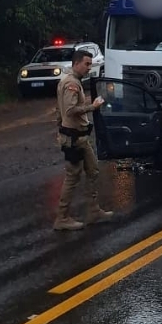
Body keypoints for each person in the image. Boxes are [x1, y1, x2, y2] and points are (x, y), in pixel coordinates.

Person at [53, 50, 115, 231]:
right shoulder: (71, 83)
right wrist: (92, 106)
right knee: (73, 176)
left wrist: (60, 126)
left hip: (79, 136)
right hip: (73, 138)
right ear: (77, 63)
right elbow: (71, 110)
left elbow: (60, 110)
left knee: (93, 170)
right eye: (87, 64)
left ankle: (94, 209)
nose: (89, 68)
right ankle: (62, 217)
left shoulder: (70, 81)